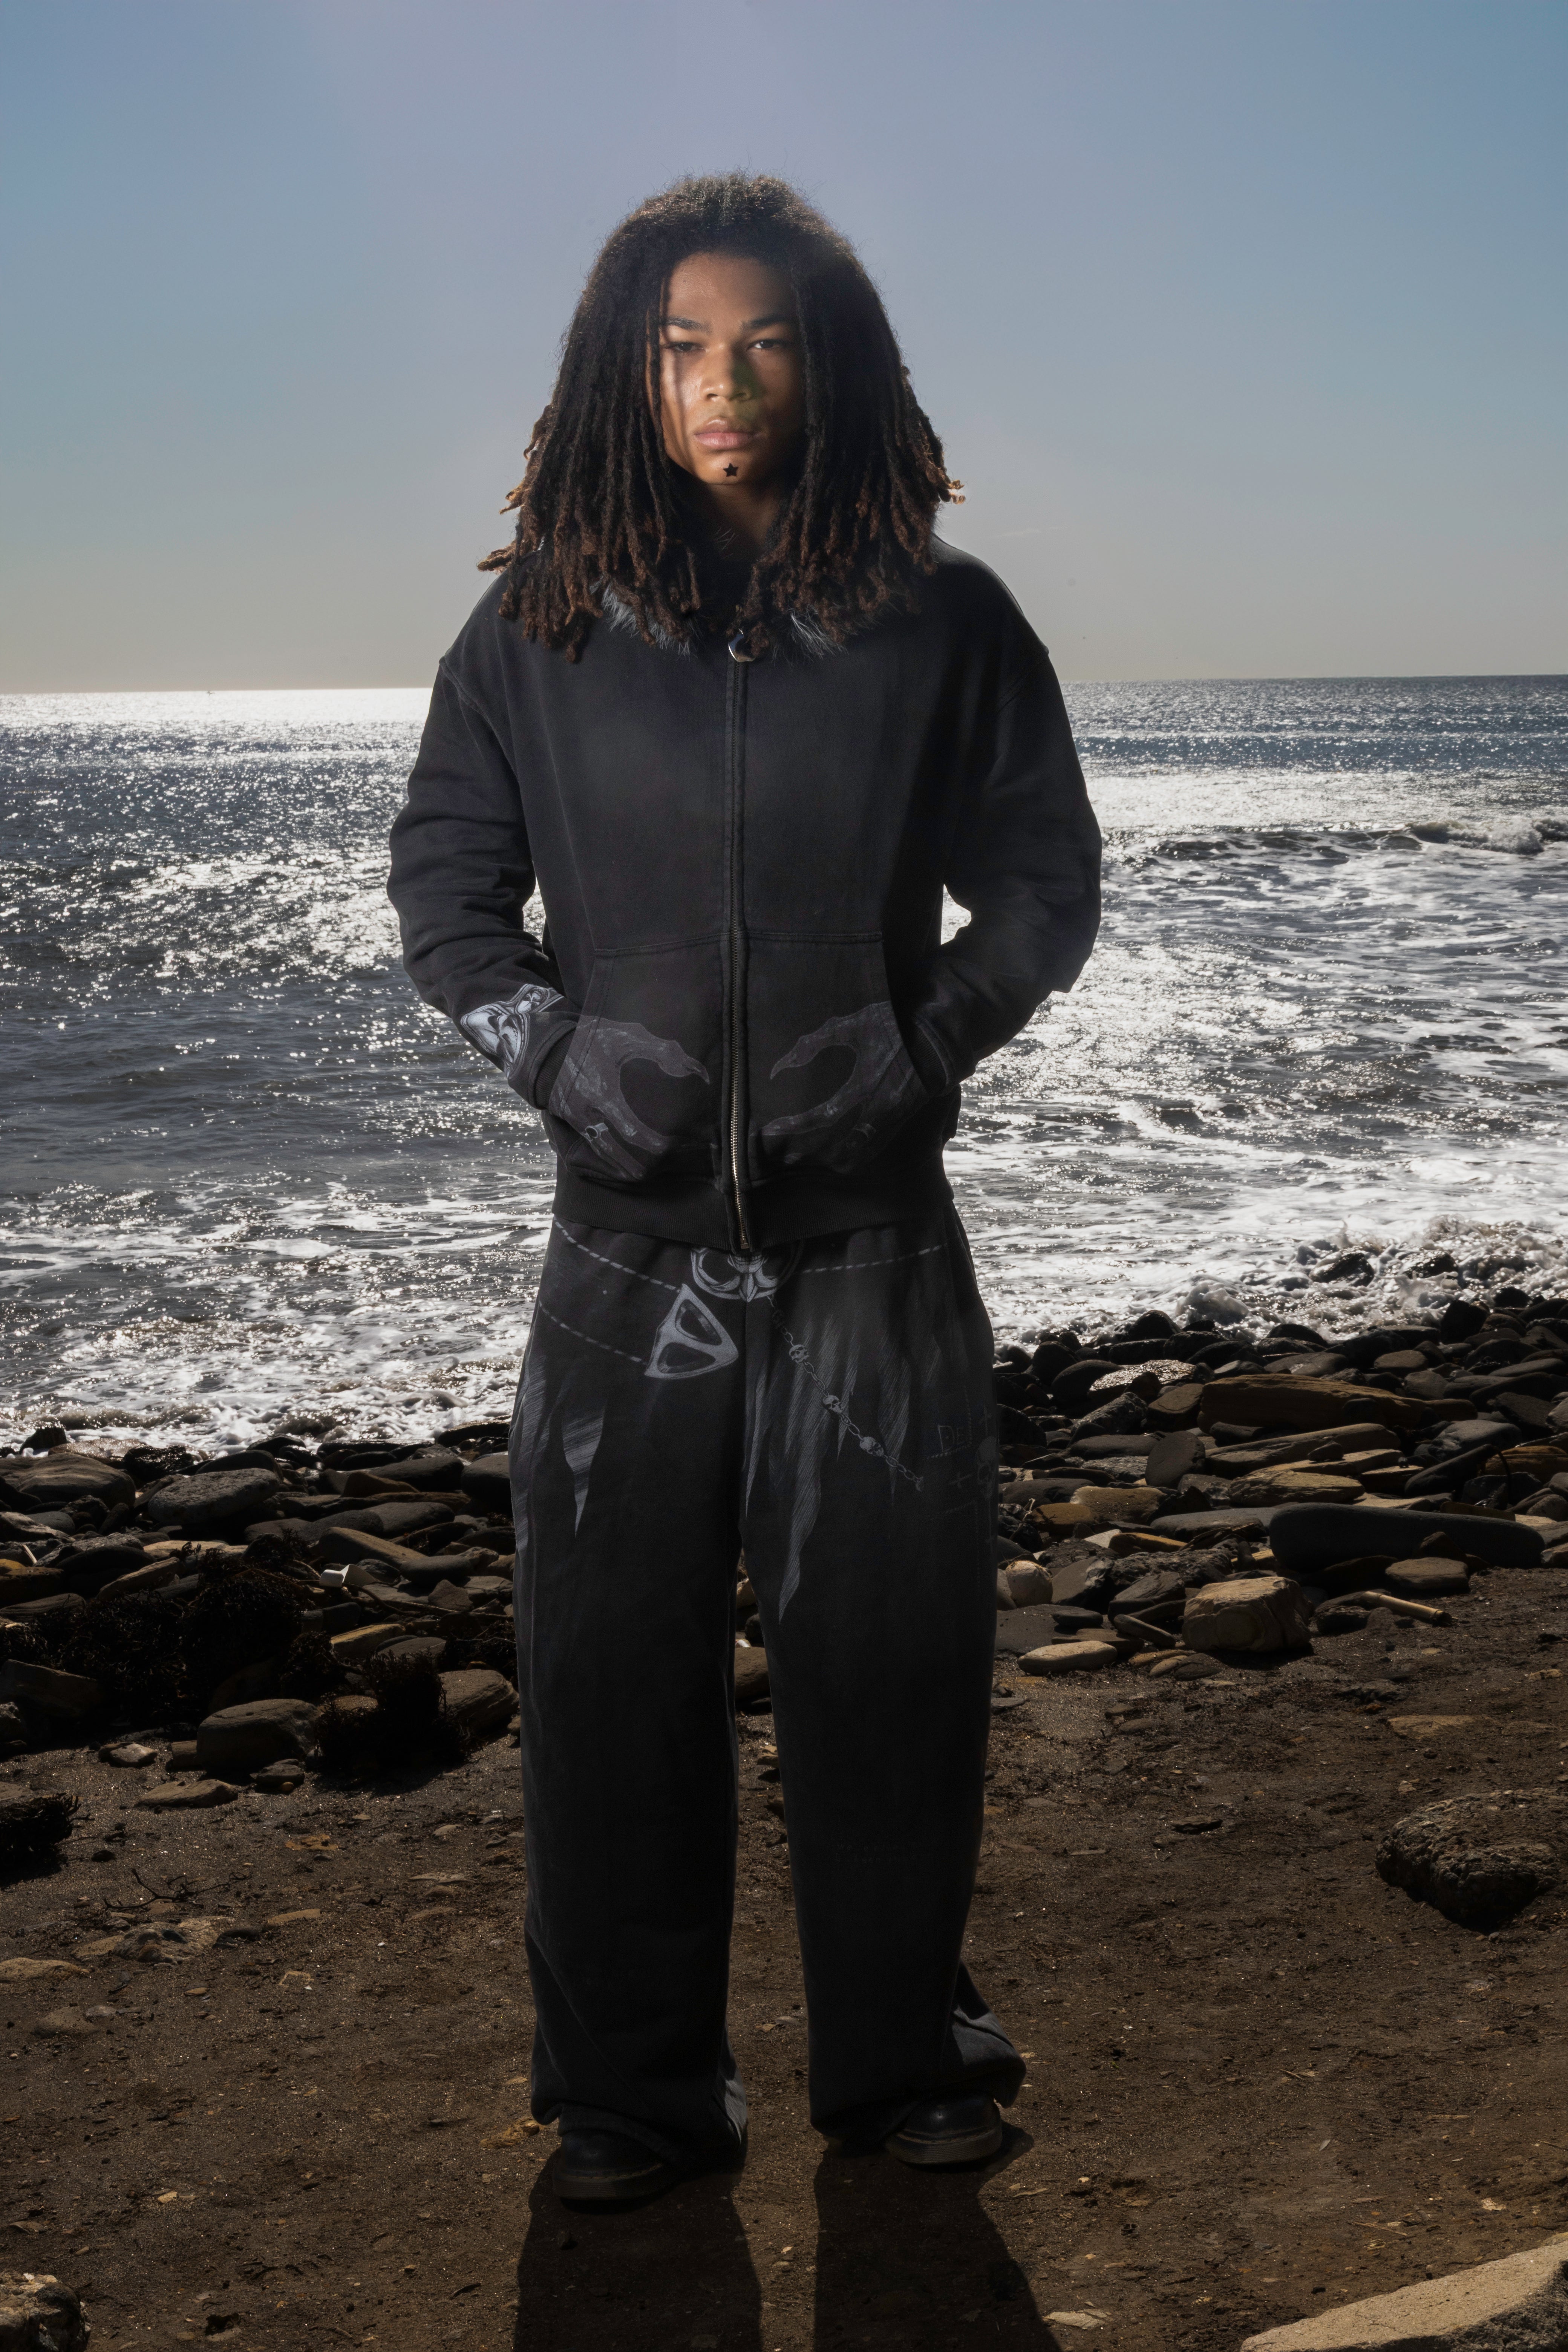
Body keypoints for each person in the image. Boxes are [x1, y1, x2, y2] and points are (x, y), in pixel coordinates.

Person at [387, 173, 1101, 2206]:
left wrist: (923, 1042)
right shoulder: (532, 627)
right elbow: (445, 895)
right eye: (685, 348)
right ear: (627, 371)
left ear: (830, 362)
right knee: (610, 1687)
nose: (725, 385)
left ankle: (903, 2066)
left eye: (766, 343)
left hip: (874, 1249)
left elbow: (1045, 884)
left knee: (890, 1680)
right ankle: (633, 2101)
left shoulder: (944, 618)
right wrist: (550, 1049)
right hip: (623, 1264)